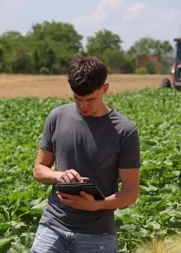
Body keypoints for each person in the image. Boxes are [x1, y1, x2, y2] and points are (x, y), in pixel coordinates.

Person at [30, 56, 141, 253]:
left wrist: (96, 205)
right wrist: (59, 175)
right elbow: (39, 170)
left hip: (97, 234)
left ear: (105, 89)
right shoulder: (57, 117)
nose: (84, 106)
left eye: (90, 99)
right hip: (53, 225)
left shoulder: (125, 131)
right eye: (77, 99)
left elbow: (131, 192)